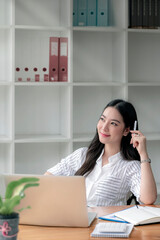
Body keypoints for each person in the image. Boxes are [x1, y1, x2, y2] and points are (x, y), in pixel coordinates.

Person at [45, 99, 157, 206]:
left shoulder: (129, 166)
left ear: (126, 130)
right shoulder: (82, 155)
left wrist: (143, 154)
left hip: (108, 224)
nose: (104, 127)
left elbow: (148, 199)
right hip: (76, 221)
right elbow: (47, 179)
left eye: (113, 123)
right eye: (102, 119)